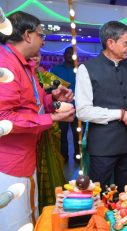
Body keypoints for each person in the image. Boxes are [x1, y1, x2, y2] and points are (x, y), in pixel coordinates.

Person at [0, 11, 74, 230]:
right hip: (9, 164)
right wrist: (51, 117)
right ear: (27, 35)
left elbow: (30, 104)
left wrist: (53, 99)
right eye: (41, 35)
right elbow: (3, 117)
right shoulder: (6, 65)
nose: (43, 41)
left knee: (30, 217)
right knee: (14, 223)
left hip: (26, 156)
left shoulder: (25, 65)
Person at [75, 21, 127, 193]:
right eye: (126, 43)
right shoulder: (87, 69)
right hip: (103, 147)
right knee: (101, 195)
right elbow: (83, 111)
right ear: (110, 43)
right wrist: (121, 115)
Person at [30, 54, 67, 212]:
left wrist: (55, 99)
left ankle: (50, 204)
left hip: (50, 127)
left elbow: (52, 100)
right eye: (32, 56)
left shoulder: (44, 75)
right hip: (31, 128)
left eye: (37, 55)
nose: (35, 58)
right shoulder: (22, 75)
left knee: (53, 162)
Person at [50, 47, 79, 162]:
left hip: (77, 107)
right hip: (61, 108)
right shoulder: (56, 69)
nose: (70, 55)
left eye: (72, 53)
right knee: (62, 135)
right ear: (64, 55)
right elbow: (51, 89)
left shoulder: (80, 70)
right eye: (68, 53)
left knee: (78, 135)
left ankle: (78, 157)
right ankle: (63, 157)